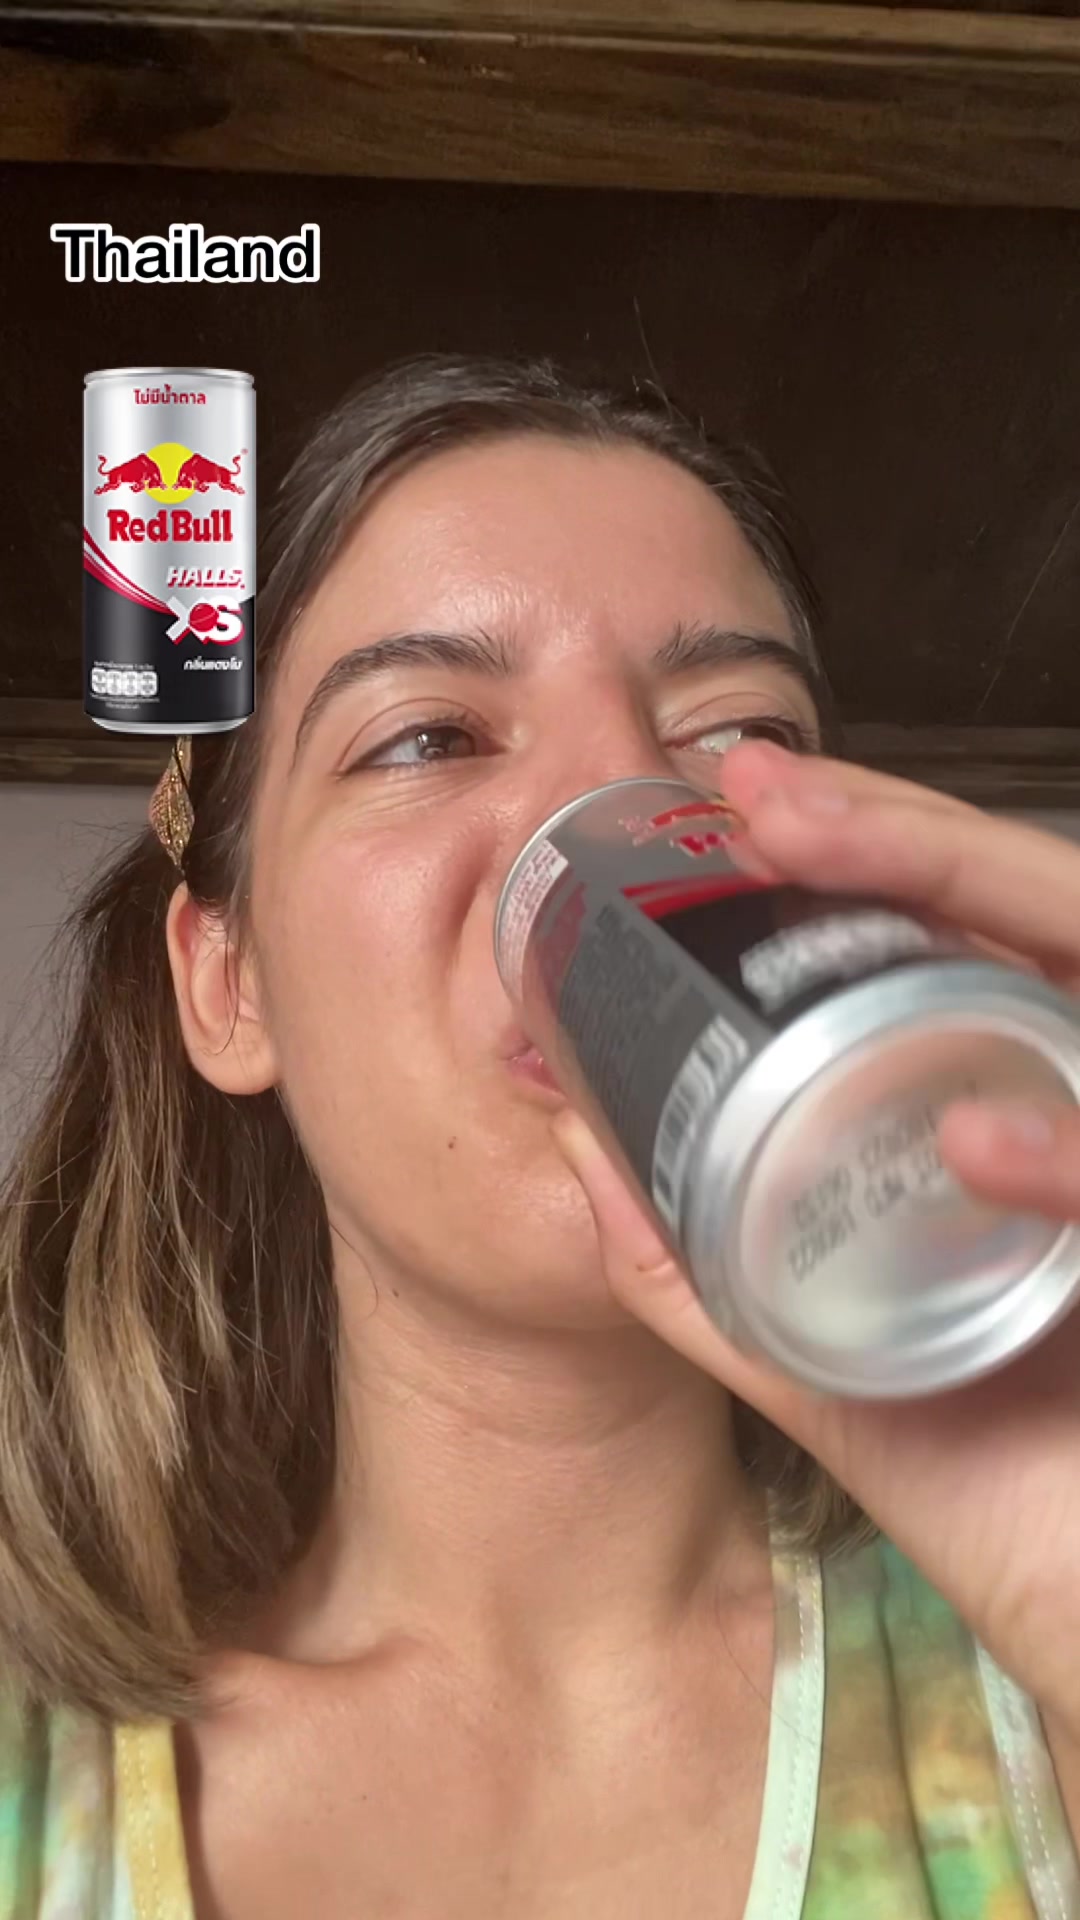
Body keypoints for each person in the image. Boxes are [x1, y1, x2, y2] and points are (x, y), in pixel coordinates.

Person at [1, 354, 1079, 1920]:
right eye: (426, 738)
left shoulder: (1036, 1683)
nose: (621, 792)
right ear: (230, 986)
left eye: (736, 729)